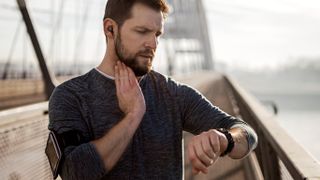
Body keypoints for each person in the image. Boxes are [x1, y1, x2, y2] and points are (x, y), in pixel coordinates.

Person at [48, 0, 258, 179]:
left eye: (157, 34)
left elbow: (247, 134)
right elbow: (75, 172)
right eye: (142, 31)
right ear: (110, 29)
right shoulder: (70, 96)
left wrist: (225, 140)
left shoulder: (171, 93)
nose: (153, 43)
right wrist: (133, 115)